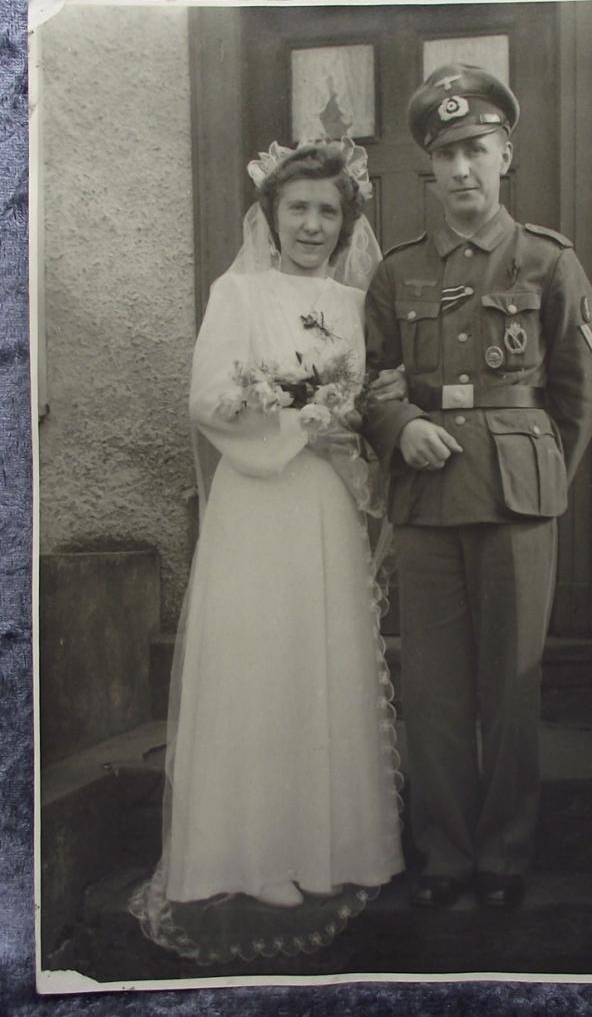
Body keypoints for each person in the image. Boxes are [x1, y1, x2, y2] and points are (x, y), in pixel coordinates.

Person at [130, 139, 405, 962]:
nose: (313, 225)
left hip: (322, 503)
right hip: (258, 502)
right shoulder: (237, 291)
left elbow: (366, 406)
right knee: (258, 663)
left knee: (317, 660)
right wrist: (298, 417)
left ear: (345, 221)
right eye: (299, 209)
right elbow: (209, 398)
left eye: (328, 211)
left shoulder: (356, 305)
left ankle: (326, 848)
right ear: (272, 216)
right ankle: (251, 854)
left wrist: (347, 426)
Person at [363, 64, 592, 910]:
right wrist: (400, 428)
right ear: (428, 168)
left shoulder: (547, 259)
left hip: (516, 501)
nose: (461, 168)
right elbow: (370, 376)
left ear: (506, 154)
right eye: (445, 153)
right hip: (427, 503)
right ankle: (445, 855)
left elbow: (580, 393)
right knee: (432, 690)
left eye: (476, 148)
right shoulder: (397, 273)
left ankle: (504, 858)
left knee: (511, 686)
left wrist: (538, 471)